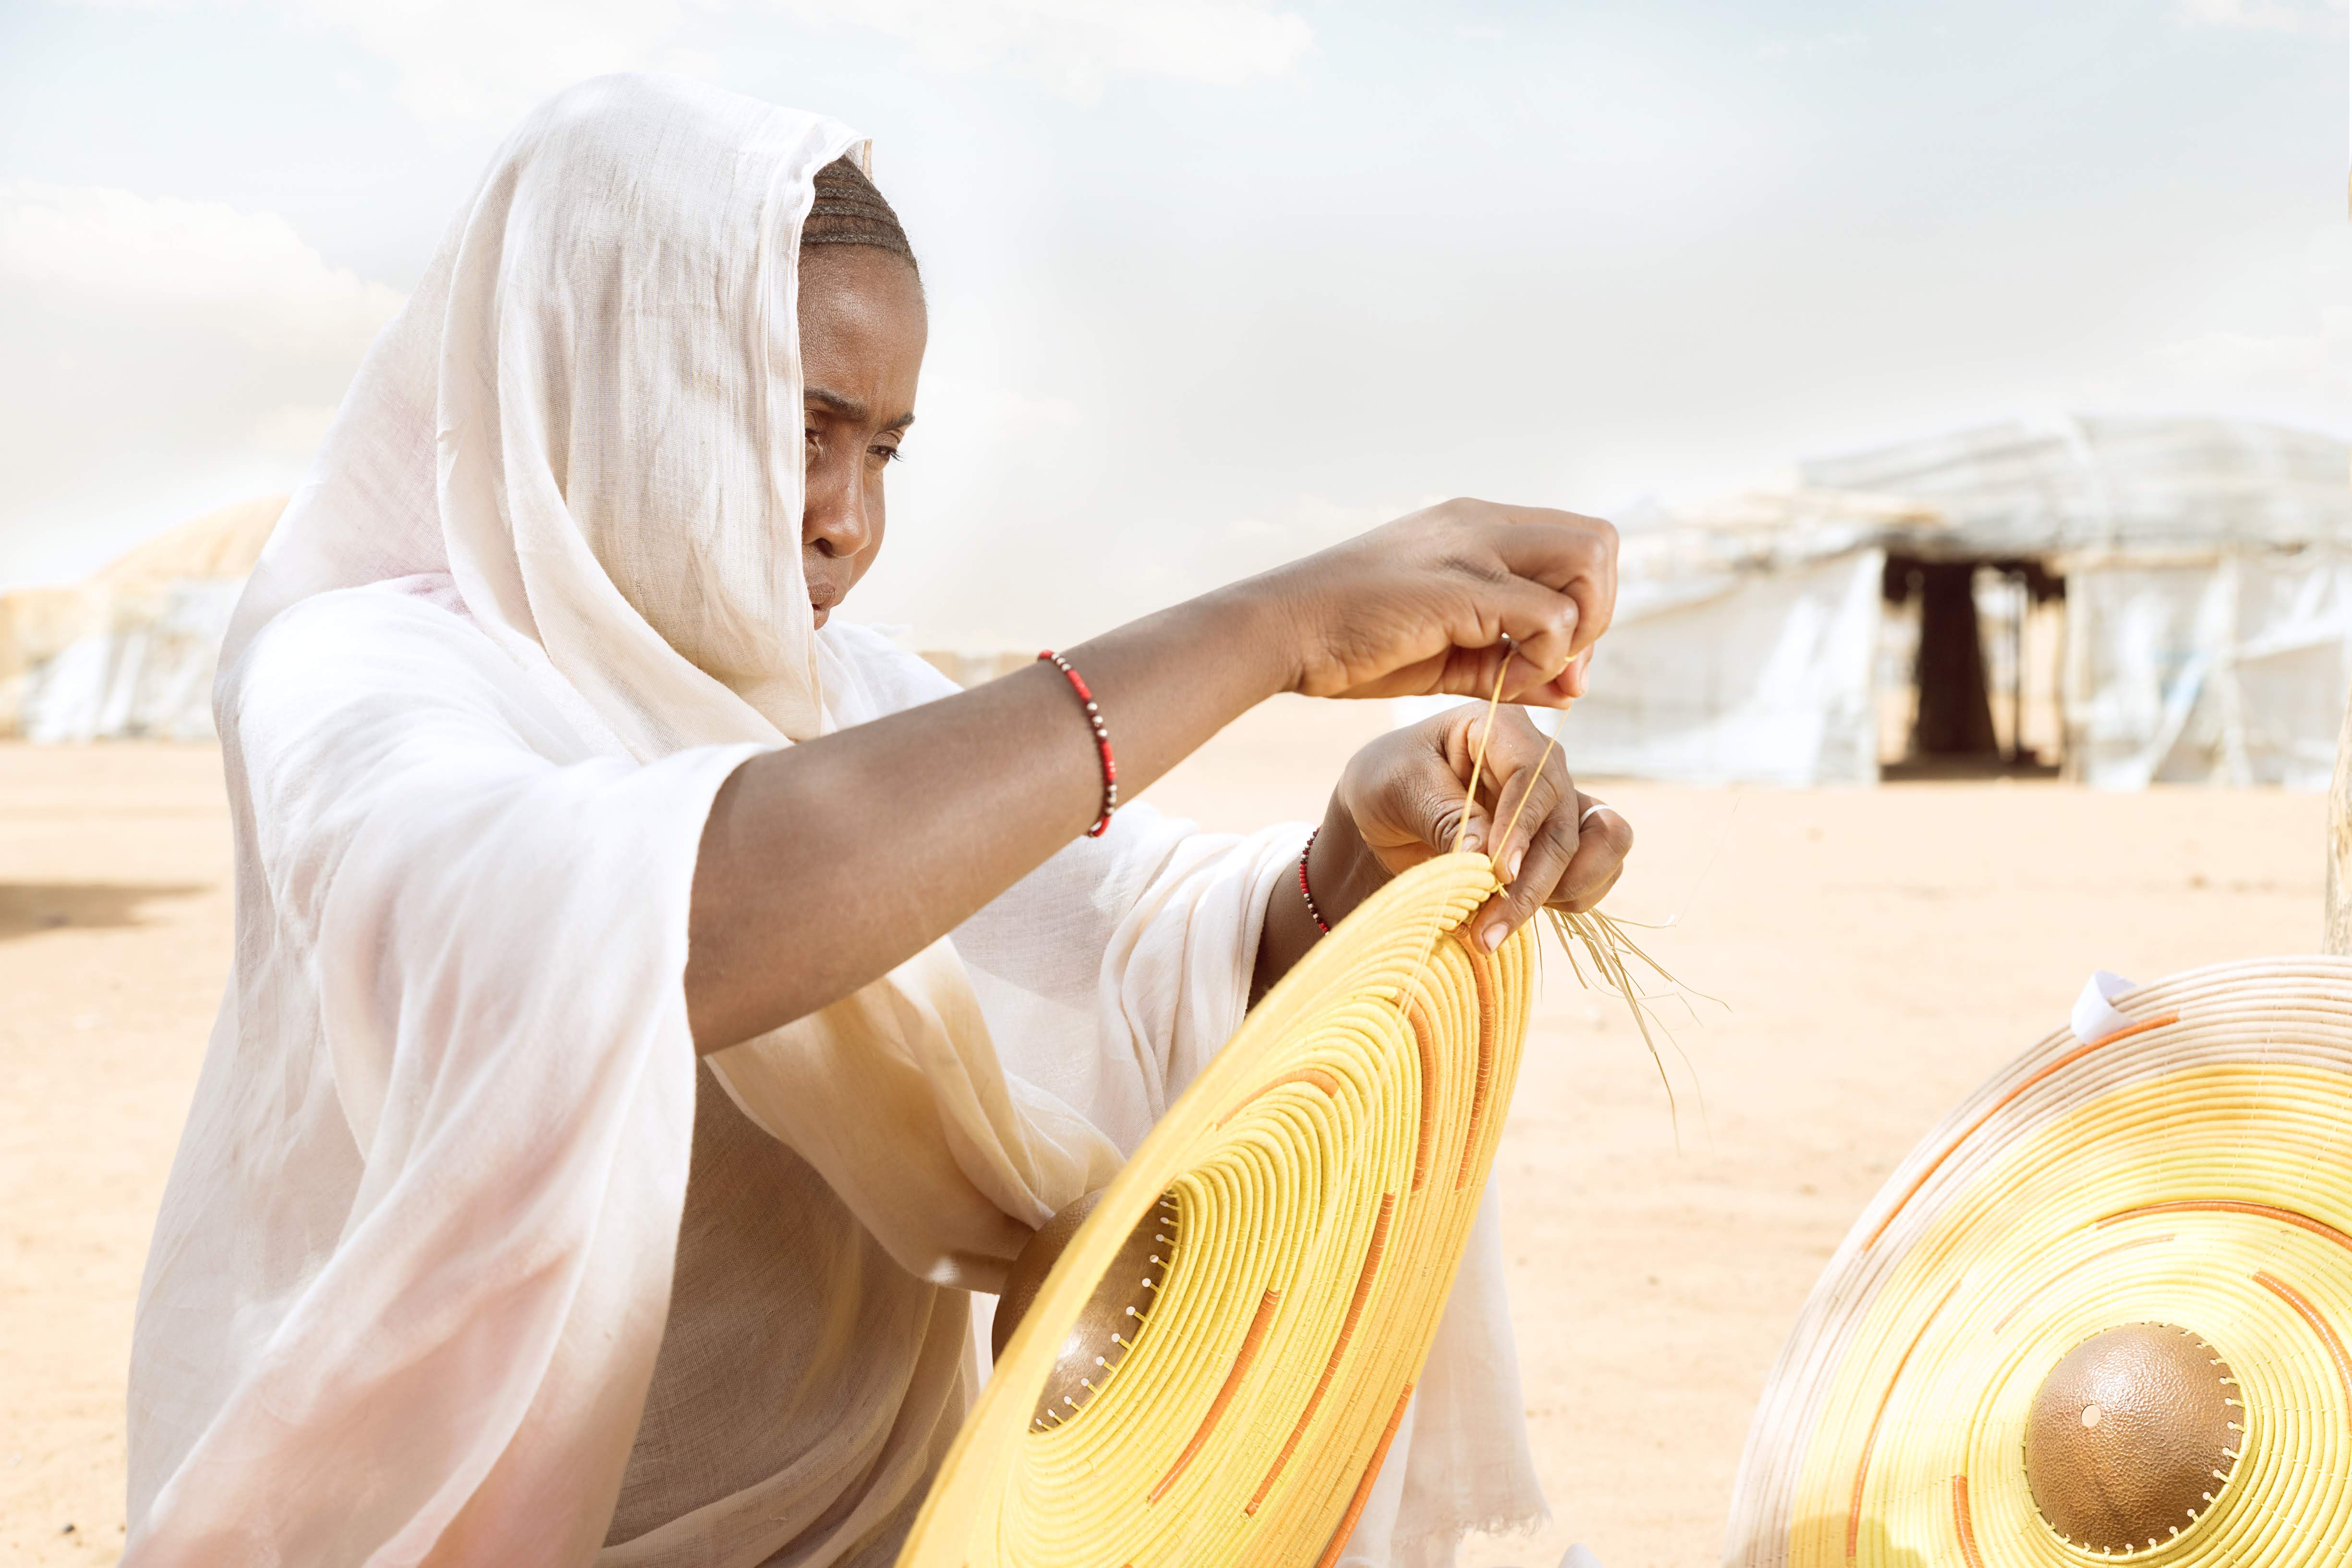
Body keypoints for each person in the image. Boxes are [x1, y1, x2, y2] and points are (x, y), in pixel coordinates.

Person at [122, 74, 1631, 1568]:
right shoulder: (367, 678)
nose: (847, 516)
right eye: (796, 426)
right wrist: (1265, 629)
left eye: (885, 449)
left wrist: (1353, 856)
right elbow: (661, 922)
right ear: (600, 382)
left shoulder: (843, 696)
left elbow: (1132, 956)